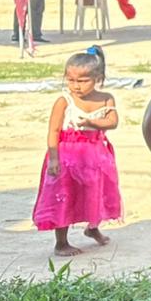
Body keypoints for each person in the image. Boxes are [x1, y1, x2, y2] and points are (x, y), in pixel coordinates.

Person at [32, 45, 120, 256]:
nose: (76, 86)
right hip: (67, 158)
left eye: (82, 81)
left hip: (95, 157)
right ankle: (61, 242)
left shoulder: (106, 98)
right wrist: (54, 159)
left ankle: (93, 227)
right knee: (64, 195)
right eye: (71, 80)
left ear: (98, 78)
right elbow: (53, 130)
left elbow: (112, 122)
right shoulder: (64, 101)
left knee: (94, 192)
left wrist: (92, 122)